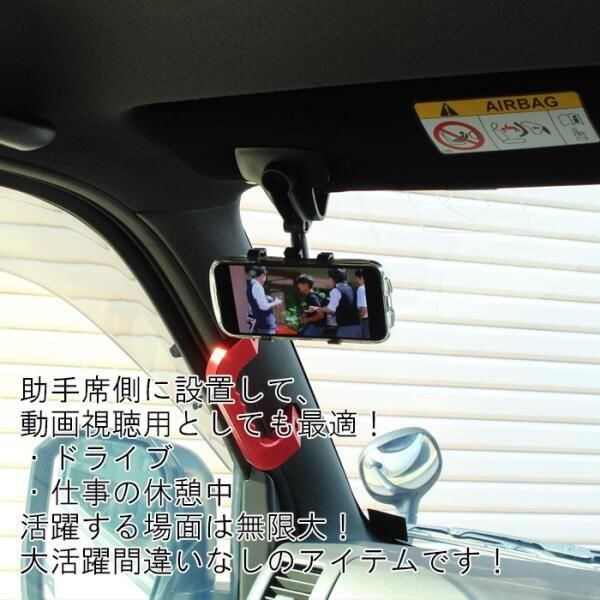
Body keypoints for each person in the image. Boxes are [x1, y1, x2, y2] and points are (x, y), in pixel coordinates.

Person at [313, 268, 361, 339]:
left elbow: (330, 309)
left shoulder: (336, 290)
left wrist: (317, 308)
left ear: (333, 279)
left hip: (345, 329)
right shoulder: (354, 289)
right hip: (358, 327)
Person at [246, 266, 282, 335]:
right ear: (263, 275)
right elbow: (263, 306)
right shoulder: (257, 286)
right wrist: (276, 302)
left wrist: (273, 304)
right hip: (265, 326)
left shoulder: (251, 285)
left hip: (261, 324)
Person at [355, 268, 369, 339]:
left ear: (362, 278)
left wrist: (360, 322)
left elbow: (364, 308)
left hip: (366, 320)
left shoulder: (361, 289)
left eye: (357, 278)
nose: (357, 280)